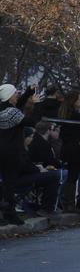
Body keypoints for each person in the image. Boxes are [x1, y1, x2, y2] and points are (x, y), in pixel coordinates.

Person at [0, 84, 29, 224]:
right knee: (9, 184)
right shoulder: (11, 113)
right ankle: (9, 213)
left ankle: (7, 211)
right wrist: (38, 108)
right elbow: (30, 121)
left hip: (4, 151)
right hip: (10, 152)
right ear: (8, 96)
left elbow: (18, 107)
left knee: (7, 184)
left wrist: (28, 93)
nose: (17, 95)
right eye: (14, 93)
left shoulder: (4, 110)